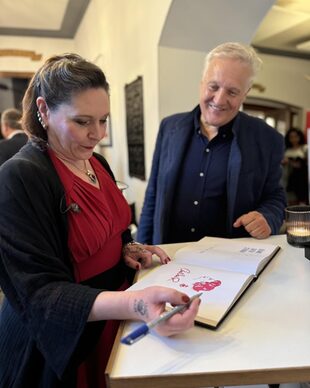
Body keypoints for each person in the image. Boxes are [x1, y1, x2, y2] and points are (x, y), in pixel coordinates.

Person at [0, 53, 200, 388]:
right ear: (45, 110)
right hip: (63, 338)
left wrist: (126, 247)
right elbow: (39, 293)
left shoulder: (98, 164)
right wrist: (136, 303)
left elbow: (111, 228)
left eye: (103, 120)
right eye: (82, 121)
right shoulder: (19, 178)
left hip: (114, 317)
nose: (97, 134)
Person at [137, 42, 286, 245]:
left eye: (232, 92)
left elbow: (275, 196)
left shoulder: (268, 139)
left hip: (231, 264)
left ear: (246, 93)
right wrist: (142, 249)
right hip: (169, 258)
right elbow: (153, 194)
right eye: (213, 87)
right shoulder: (169, 128)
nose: (219, 99)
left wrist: (268, 217)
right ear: (201, 83)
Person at [282, 127, 308, 205]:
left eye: (296, 136)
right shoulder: (287, 150)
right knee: (290, 200)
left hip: (301, 179)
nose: (294, 139)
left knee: (301, 201)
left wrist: (290, 161)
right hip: (288, 178)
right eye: (291, 137)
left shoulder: (305, 148)